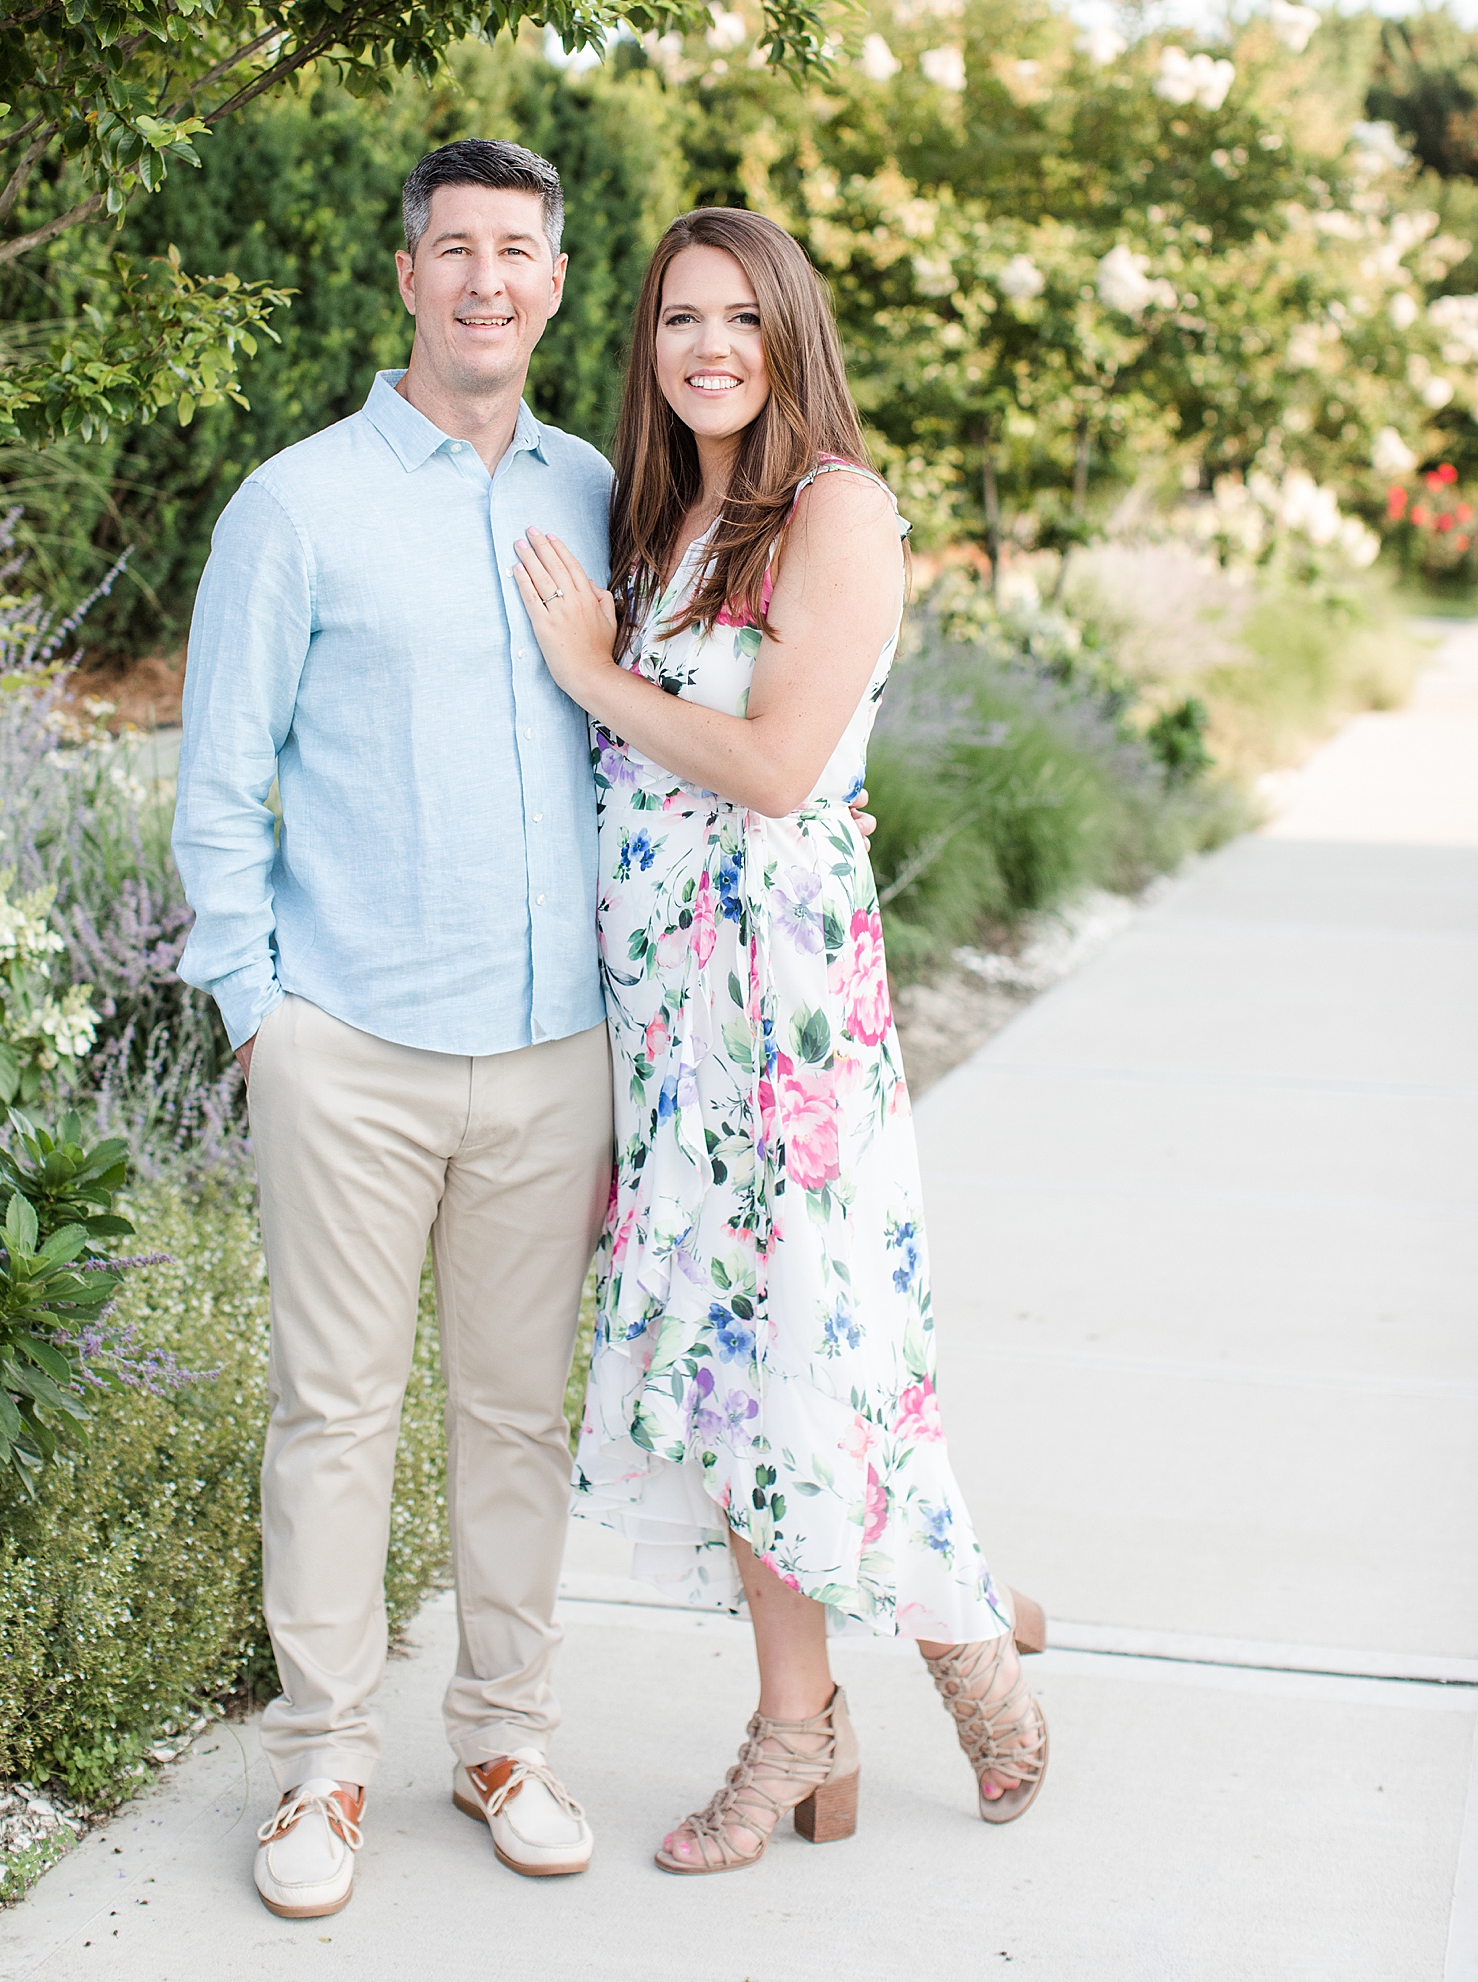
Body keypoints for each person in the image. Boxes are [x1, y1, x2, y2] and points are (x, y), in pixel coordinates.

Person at [510, 205, 1050, 1875]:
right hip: (674, 1043)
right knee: (747, 1378)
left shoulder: (839, 512)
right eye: (679, 317)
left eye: (739, 315)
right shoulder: (668, 526)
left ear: (790, 331)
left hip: (787, 1037)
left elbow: (774, 767)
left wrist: (596, 680)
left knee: (812, 1364)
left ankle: (874, 1685)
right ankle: (942, 1624)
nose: (708, 346)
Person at [171, 138, 615, 1920]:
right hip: (347, 1044)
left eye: (518, 251)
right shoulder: (296, 506)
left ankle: (504, 1735)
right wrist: (257, 1014)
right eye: (456, 251)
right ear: (408, 277)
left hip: (554, 1050)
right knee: (335, 1417)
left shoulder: (601, 492)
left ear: (556, 283)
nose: (487, 281)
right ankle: (320, 1765)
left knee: (517, 1419)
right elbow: (218, 787)